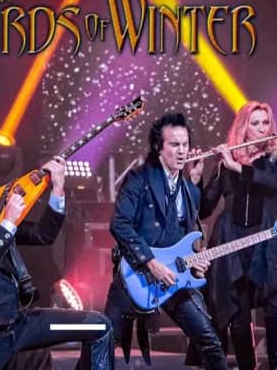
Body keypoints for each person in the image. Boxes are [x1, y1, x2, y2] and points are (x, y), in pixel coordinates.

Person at [0, 159, 114, 370]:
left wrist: (57, 188)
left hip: (23, 327)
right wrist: (8, 221)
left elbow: (42, 234)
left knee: (99, 326)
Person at [200, 101, 277, 369]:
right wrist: (195, 177)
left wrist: (238, 168)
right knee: (237, 312)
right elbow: (205, 208)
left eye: (266, 122)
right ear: (243, 128)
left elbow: (276, 184)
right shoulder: (226, 160)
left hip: (268, 241)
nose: (262, 128)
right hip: (231, 243)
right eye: (255, 123)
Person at [104, 113, 228, 369]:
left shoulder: (188, 187)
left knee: (210, 342)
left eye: (185, 144)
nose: (182, 151)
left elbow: (188, 230)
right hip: (136, 276)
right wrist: (151, 262)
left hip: (174, 278)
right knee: (103, 344)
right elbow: (120, 224)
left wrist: (195, 262)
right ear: (159, 147)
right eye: (174, 144)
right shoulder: (139, 178)